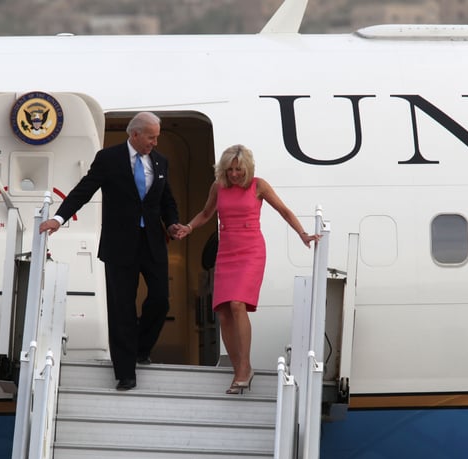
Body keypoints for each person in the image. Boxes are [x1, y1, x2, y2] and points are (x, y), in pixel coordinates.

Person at [39, 112, 185, 391]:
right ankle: (125, 371)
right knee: (122, 309)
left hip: (153, 242)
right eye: (151, 137)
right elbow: (84, 190)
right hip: (120, 244)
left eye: (157, 137)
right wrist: (59, 219)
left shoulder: (160, 161)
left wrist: (174, 223)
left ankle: (141, 347)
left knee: (160, 300)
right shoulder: (109, 159)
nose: (155, 142)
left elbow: (167, 200)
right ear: (135, 135)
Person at [177, 144, 319, 394]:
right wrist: (189, 227)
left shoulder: (258, 185)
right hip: (227, 251)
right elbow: (206, 213)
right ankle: (239, 369)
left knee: (236, 304)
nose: (234, 174)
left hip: (251, 250)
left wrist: (303, 234)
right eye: (230, 169)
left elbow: (284, 211)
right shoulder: (218, 187)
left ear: (247, 168)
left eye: (239, 170)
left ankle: (244, 367)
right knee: (222, 312)